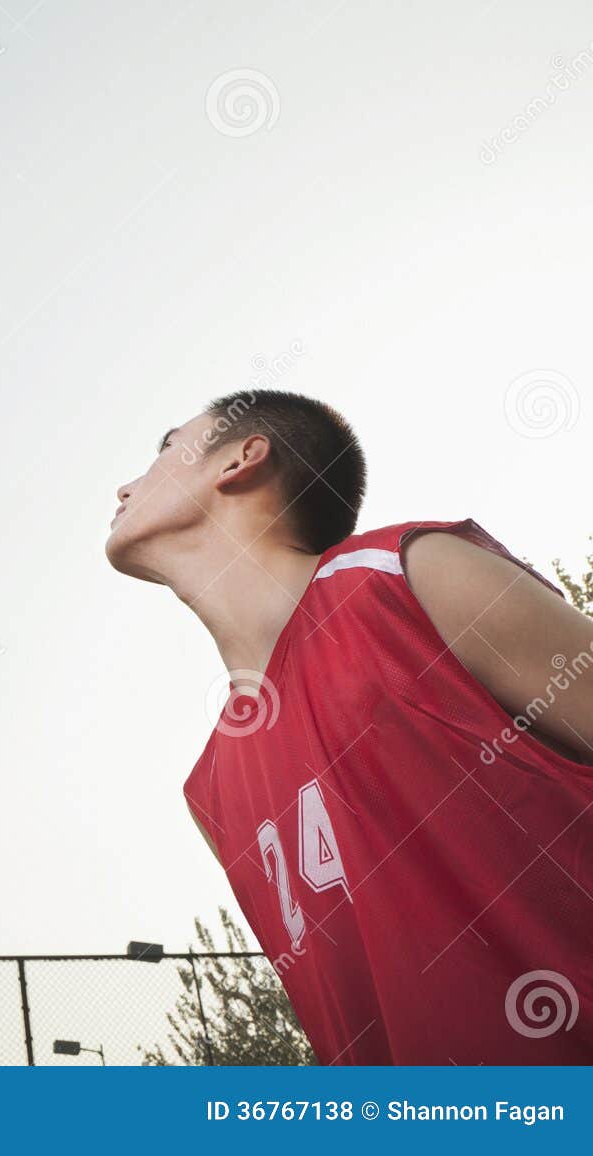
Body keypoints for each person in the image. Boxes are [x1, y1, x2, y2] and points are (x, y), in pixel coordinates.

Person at [106, 388, 593, 1064]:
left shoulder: (410, 577)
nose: (125, 486)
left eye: (165, 449)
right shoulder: (210, 790)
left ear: (241, 460)